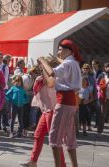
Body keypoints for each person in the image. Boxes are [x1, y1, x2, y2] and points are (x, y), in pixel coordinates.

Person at [37, 39, 82, 167]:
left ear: (69, 50)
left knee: (55, 138)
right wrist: (55, 60)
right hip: (70, 103)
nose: (59, 52)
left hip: (64, 102)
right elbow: (61, 67)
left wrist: (43, 61)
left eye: (61, 49)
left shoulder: (68, 63)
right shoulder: (73, 63)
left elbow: (51, 73)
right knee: (70, 139)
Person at [19, 56, 66, 167]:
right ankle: (33, 161)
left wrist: (45, 66)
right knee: (38, 135)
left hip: (53, 111)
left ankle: (62, 165)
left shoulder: (53, 78)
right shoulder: (41, 78)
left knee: (55, 142)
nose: (40, 66)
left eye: (42, 64)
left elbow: (50, 83)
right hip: (46, 111)